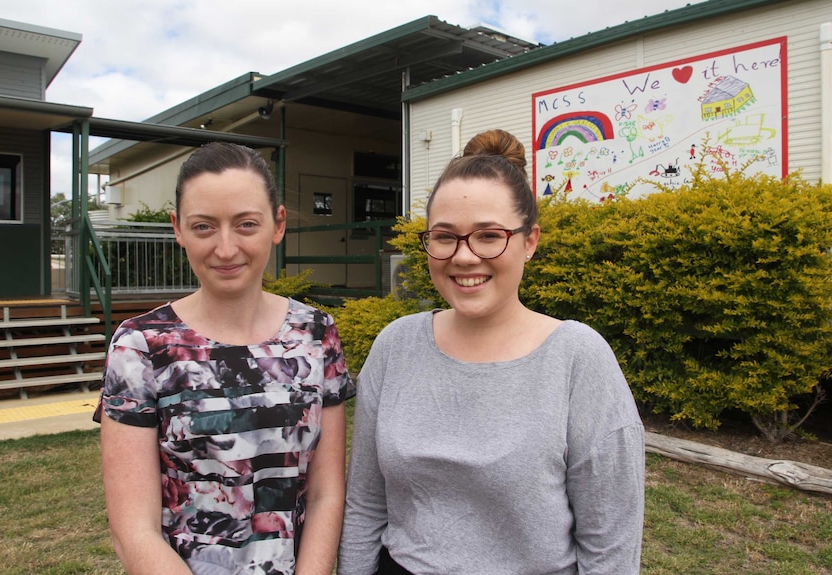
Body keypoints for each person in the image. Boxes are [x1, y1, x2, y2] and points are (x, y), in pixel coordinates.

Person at [337, 129, 645, 575]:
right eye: (445, 237)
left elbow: (610, 541)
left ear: (530, 241)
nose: (464, 257)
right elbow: (365, 503)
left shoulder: (578, 358)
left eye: (488, 236)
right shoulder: (395, 346)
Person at [94, 142, 354, 575]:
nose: (226, 248)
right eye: (204, 227)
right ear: (178, 228)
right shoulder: (140, 346)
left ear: (278, 223)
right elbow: (132, 529)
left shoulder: (316, 333)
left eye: (246, 224)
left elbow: (327, 493)